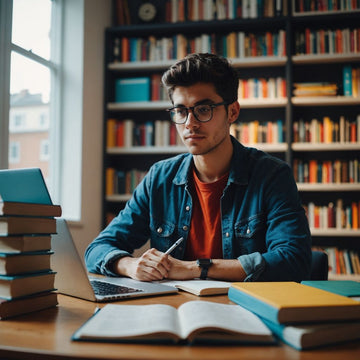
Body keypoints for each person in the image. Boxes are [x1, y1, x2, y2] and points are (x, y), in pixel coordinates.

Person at [85, 53, 312, 282]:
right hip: (174, 307)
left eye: (203, 110)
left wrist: (195, 268)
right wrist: (131, 265)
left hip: (244, 308)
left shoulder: (272, 176)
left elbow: (293, 260)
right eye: (181, 111)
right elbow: (98, 249)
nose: (189, 124)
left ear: (232, 111)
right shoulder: (159, 178)